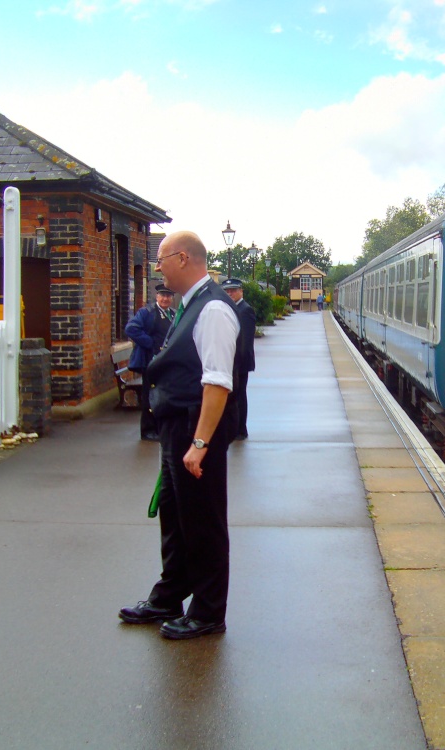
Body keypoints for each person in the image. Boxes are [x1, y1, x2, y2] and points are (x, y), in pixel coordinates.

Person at [119, 231, 240, 640]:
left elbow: (218, 382)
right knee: (175, 517)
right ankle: (170, 595)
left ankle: (207, 612)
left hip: (194, 430)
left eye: (162, 259)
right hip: (177, 430)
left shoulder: (214, 311)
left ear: (184, 259)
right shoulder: (190, 306)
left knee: (203, 522)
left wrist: (200, 443)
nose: (158, 267)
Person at [124, 283, 176, 440]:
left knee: (162, 396)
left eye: (168, 296)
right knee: (149, 397)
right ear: (157, 296)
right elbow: (131, 328)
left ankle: (159, 428)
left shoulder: (173, 314)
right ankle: (147, 431)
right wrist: (150, 343)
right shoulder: (146, 313)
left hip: (165, 363)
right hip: (150, 362)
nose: (165, 299)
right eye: (162, 295)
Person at [220, 277, 256, 440]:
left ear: (241, 291)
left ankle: (240, 429)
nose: (230, 293)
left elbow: (245, 341)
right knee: (234, 396)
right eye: (227, 291)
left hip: (239, 362)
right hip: (232, 361)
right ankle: (235, 428)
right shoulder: (231, 308)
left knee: (239, 396)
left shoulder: (245, 310)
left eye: (233, 291)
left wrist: (235, 363)